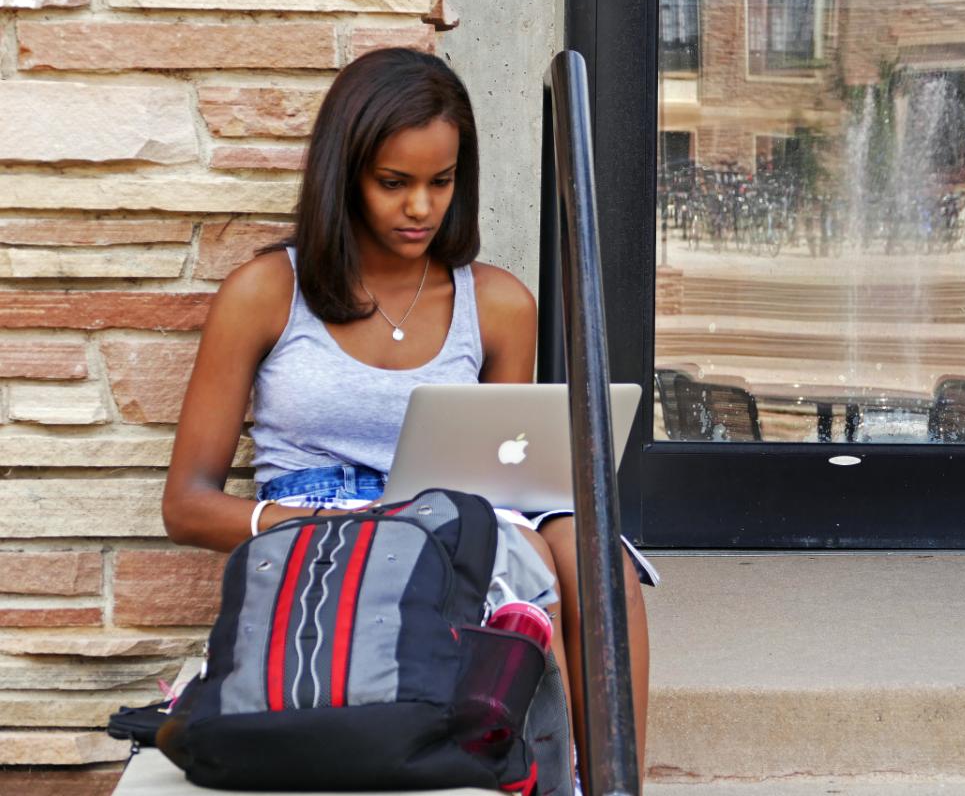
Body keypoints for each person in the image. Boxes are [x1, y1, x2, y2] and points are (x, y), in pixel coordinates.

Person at [161, 48, 652, 785]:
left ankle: (602, 783)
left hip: (453, 522)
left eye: (441, 182)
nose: (421, 207)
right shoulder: (266, 292)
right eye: (394, 183)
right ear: (344, 174)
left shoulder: (498, 304)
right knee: (525, 565)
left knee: (594, 553)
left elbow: (504, 470)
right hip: (317, 531)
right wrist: (301, 522)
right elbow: (186, 506)